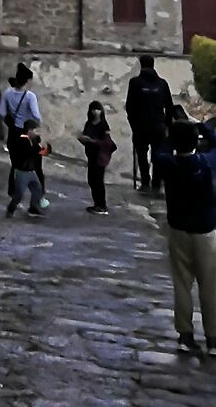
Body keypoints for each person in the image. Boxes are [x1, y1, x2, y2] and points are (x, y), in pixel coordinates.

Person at [160, 117, 216, 355]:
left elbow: (160, 148)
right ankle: (213, 339)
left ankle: (185, 335)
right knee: (210, 286)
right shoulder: (207, 163)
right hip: (205, 232)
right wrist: (202, 125)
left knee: (182, 284)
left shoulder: (167, 163)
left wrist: (170, 134)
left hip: (178, 229)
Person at [0, 65, 48, 207]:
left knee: (16, 164)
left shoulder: (7, 93)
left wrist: (12, 123)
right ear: (27, 81)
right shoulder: (30, 96)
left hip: (14, 134)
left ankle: (13, 193)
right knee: (36, 165)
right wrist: (42, 129)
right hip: (28, 133)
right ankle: (39, 198)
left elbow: (2, 113)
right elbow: (36, 116)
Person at [125, 53, 175, 194]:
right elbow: (169, 107)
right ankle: (157, 183)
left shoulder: (135, 83)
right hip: (158, 126)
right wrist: (167, 125)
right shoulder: (162, 83)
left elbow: (130, 106)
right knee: (158, 155)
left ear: (141, 65)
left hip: (140, 126)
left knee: (141, 155)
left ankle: (145, 182)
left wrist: (133, 125)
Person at [78, 100, 116, 214]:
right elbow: (85, 137)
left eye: (98, 109)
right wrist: (82, 139)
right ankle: (97, 204)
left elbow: (106, 142)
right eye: (93, 109)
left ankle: (102, 206)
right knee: (91, 180)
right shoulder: (88, 123)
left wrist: (92, 141)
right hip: (91, 156)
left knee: (98, 181)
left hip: (100, 156)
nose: (95, 112)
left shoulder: (103, 125)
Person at [6, 123, 46, 218]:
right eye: (34, 130)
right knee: (19, 194)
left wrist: (43, 147)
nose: (35, 133)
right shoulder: (21, 140)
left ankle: (33, 208)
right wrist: (38, 146)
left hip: (31, 171)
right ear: (29, 130)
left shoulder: (33, 140)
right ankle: (11, 209)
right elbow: (29, 152)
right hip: (22, 172)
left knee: (38, 189)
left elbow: (40, 152)